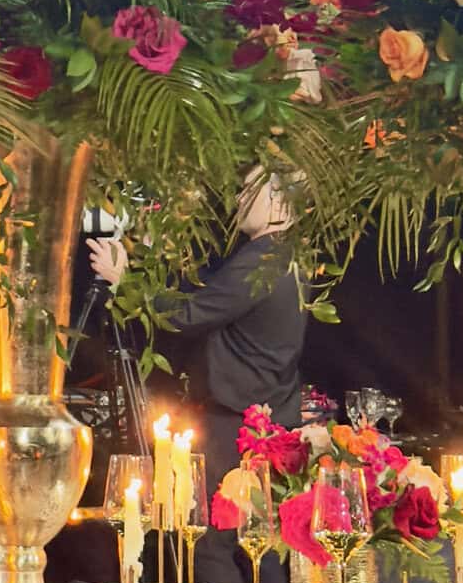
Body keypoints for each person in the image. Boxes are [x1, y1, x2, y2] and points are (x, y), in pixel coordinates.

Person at [86, 171, 304, 493]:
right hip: (264, 417)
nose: (239, 199)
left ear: (276, 199)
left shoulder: (264, 259)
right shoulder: (287, 255)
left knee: (216, 536)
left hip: (237, 426)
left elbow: (189, 314)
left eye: (248, 191)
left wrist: (123, 281)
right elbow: (208, 296)